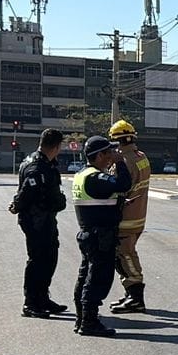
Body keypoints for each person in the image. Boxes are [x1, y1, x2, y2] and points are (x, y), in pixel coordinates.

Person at [71, 135, 133, 337]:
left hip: (90, 233)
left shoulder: (82, 174)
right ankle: (89, 321)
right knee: (97, 279)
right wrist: (121, 162)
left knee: (85, 277)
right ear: (98, 156)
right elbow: (124, 184)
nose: (111, 157)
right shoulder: (95, 177)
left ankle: (82, 318)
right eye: (108, 153)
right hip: (100, 236)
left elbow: (103, 197)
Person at [12, 127, 69, 318]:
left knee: (50, 258)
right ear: (56, 146)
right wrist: (17, 205)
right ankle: (31, 303)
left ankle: (42, 298)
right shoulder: (37, 166)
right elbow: (27, 191)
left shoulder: (47, 163)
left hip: (46, 219)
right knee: (37, 261)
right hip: (35, 220)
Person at [107, 119, 151, 314]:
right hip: (139, 216)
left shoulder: (122, 162)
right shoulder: (142, 156)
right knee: (127, 255)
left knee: (126, 256)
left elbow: (117, 188)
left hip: (125, 219)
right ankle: (130, 295)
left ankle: (135, 298)